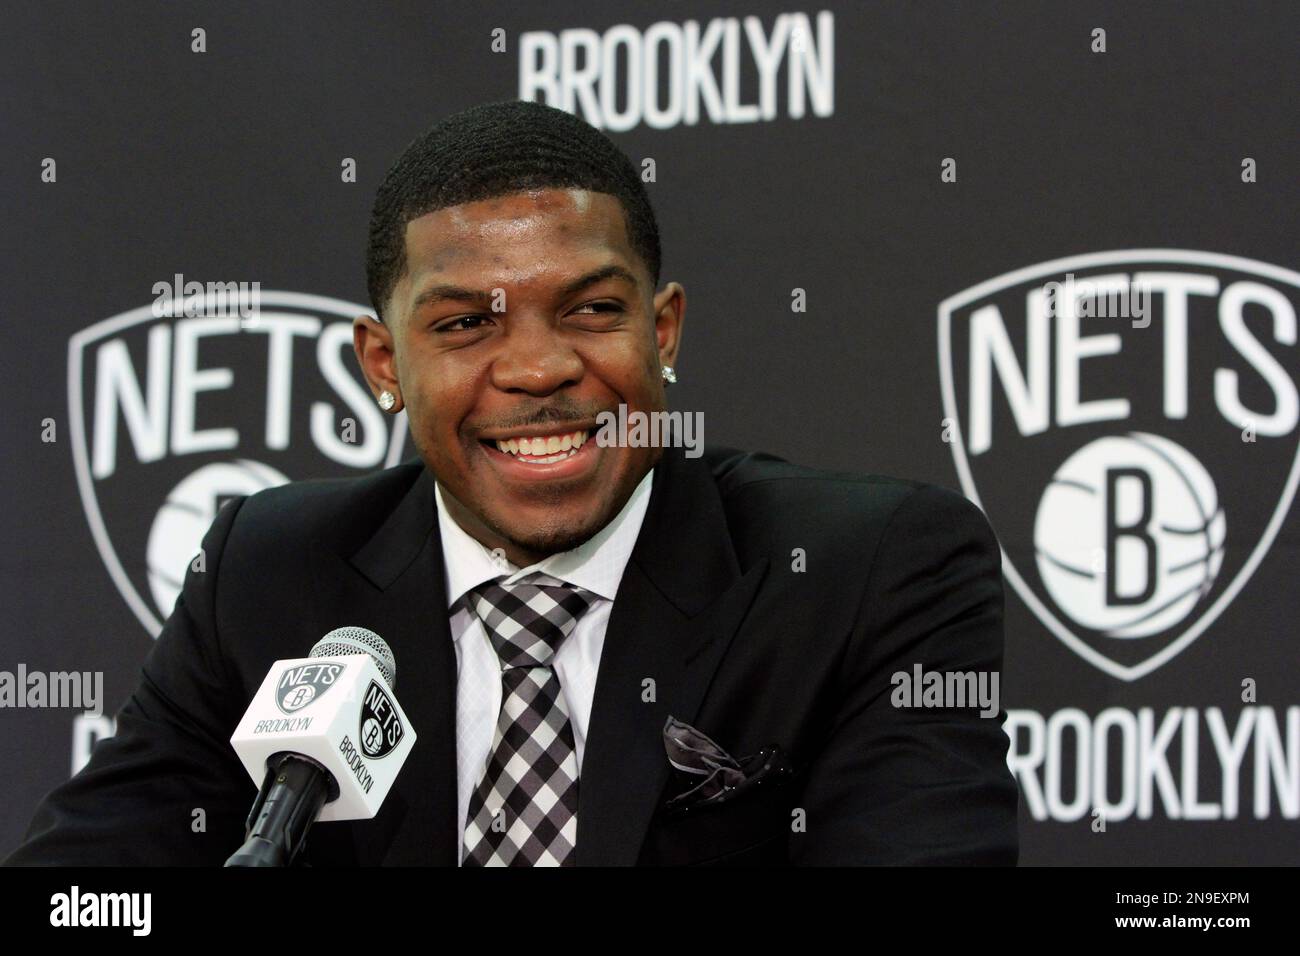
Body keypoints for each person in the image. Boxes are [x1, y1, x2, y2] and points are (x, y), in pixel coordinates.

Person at [5, 99, 1017, 866]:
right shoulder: (267, 574)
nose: (537, 369)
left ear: (661, 330)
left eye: (588, 310)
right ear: (382, 365)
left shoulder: (866, 570)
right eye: (464, 324)